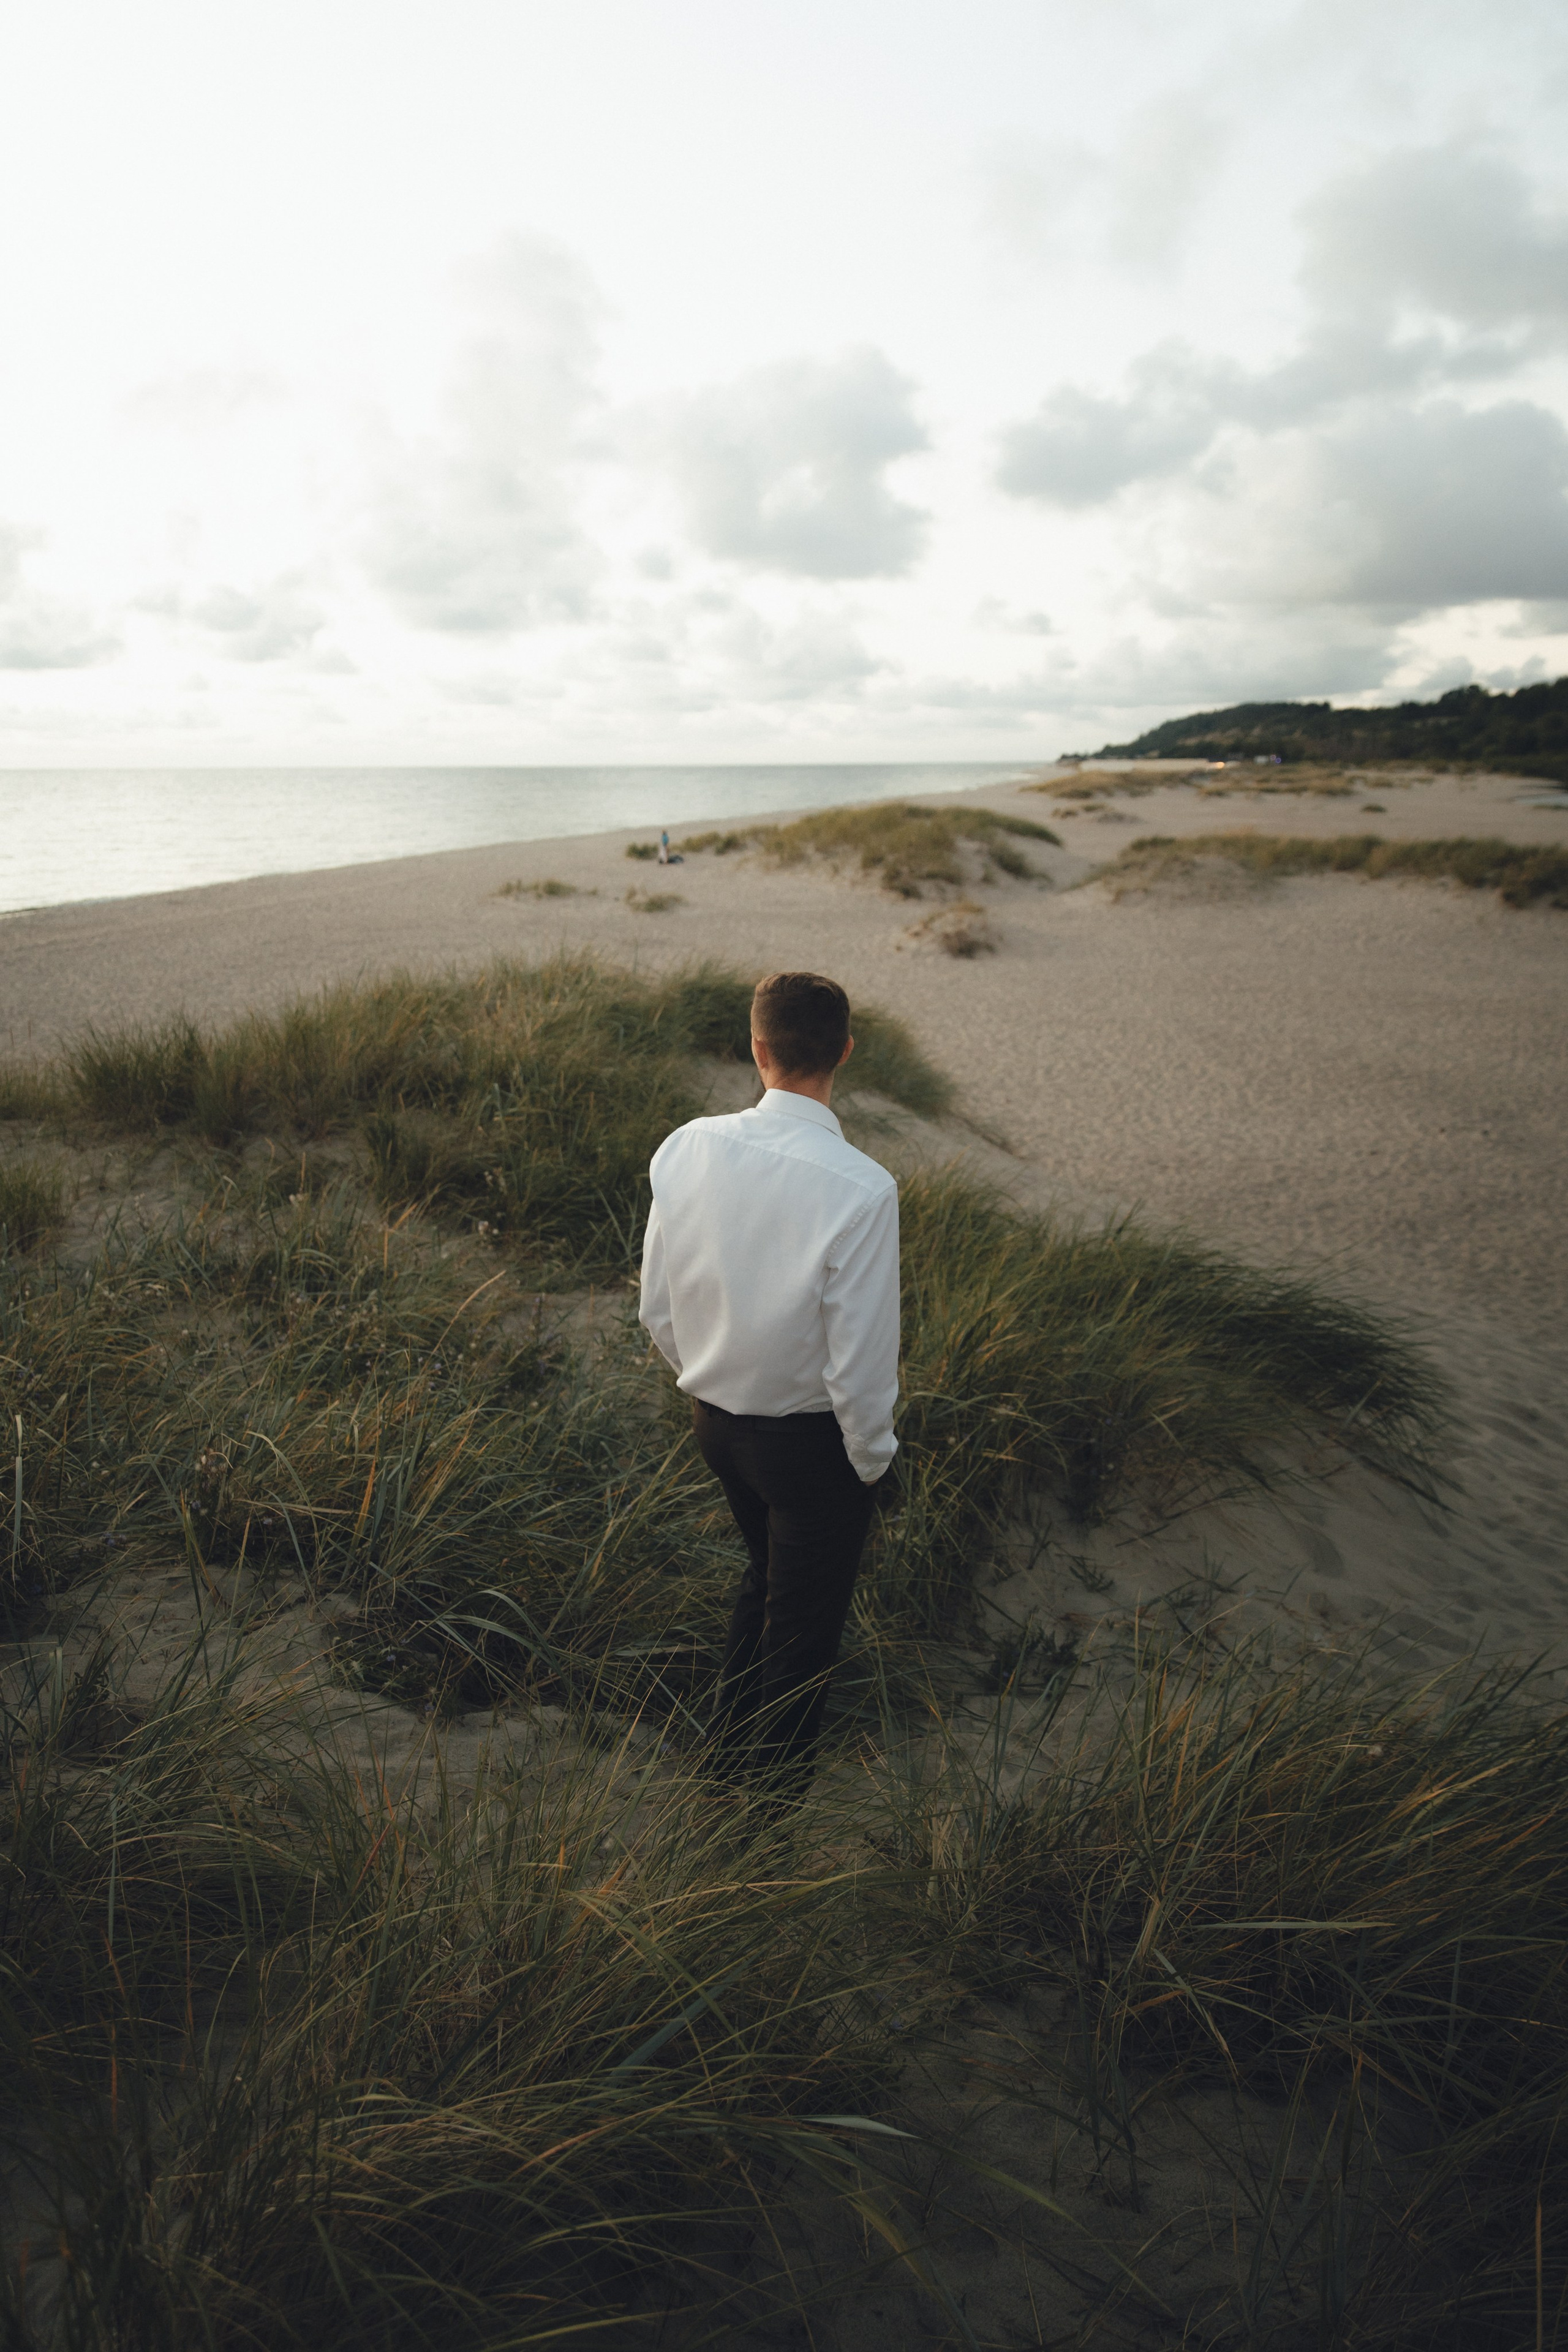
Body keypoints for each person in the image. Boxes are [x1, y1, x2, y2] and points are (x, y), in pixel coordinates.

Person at [638, 970, 899, 1809]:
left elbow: (656, 1304)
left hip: (716, 1424)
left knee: (766, 1583)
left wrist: (710, 1371)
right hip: (810, 1447)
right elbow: (859, 1362)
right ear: (845, 1054)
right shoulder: (861, 1187)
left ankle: (723, 1771)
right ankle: (760, 1826)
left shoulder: (687, 1146)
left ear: (757, 1048)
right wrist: (874, 1461)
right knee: (802, 1638)